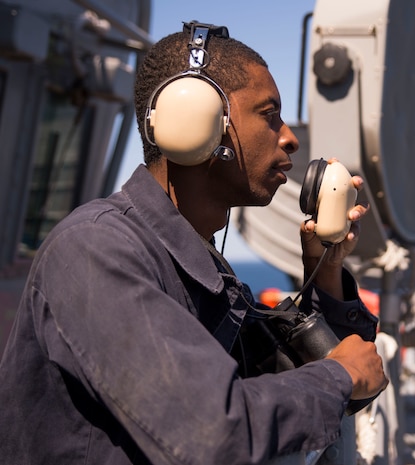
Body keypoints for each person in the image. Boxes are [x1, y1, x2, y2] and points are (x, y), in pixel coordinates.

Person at [0, 21, 387, 464]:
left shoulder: (204, 270)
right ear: (197, 120)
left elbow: (322, 391)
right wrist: (338, 375)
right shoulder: (95, 250)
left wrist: (327, 270)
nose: (290, 138)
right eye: (268, 114)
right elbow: (212, 432)